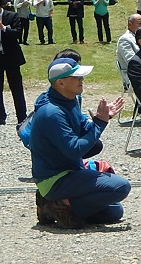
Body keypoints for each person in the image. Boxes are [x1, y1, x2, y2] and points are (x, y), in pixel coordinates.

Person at [29, 57, 130, 228]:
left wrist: (102, 117)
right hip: (55, 178)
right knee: (121, 187)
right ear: (61, 83)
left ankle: (61, 204)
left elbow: (85, 129)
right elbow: (75, 150)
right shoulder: (52, 113)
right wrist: (100, 123)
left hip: (70, 171)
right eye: (76, 77)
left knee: (114, 211)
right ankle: (53, 204)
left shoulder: (70, 101)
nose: (81, 80)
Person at [116, 14, 141, 79]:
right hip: (134, 78)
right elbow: (132, 62)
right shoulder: (125, 40)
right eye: (140, 23)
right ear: (130, 24)